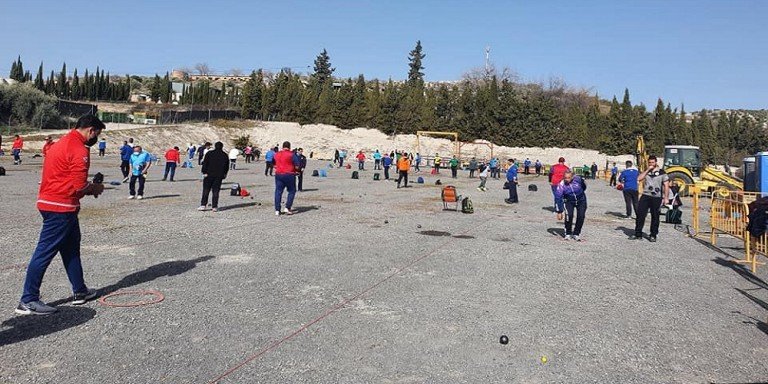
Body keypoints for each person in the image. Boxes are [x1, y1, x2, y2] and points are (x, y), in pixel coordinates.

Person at [16, 115, 105, 315]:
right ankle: (28, 299)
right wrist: (96, 188)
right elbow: (79, 186)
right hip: (60, 207)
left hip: (53, 203)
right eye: (97, 134)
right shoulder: (79, 148)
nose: (96, 138)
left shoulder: (61, 143)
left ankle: (80, 291)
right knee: (44, 251)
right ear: (90, 130)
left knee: (71, 249)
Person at [630, 155, 670, 242]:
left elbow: (666, 186)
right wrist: (647, 170)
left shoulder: (662, 173)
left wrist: (666, 198)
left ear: (656, 162)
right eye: (650, 162)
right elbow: (639, 178)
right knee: (640, 214)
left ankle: (653, 235)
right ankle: (638, 233)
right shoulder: (646, 172)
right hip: (646, 195)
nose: (651, 164)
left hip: (656, 196)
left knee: (655, 216)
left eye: (653, 162)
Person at [554, 171, 588, 241]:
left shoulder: (578, 179)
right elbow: (558, 197)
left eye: (569, 178)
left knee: (581, 216)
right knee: (569, 216)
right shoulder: (561, 184)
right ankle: (568, 233)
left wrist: (581, 192)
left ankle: (576, 233)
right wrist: (559, 211)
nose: (567, 179)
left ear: (572, 177)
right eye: (565, 178)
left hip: (581, 200)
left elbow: (584, 186)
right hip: (569, 201)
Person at [198, 142, 229, 212]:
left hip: (209, 175)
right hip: (219, 176)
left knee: (206, 190)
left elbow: (205, 163)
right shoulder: (224, 155)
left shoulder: (209, 153)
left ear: (215, 146)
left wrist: (204, 172)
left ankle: (203, 205)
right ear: (222, 147)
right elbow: (226, 166)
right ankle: (214, 206)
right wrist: (224, 174)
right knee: (216, 191)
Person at [274, 141, 300, 215]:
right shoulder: (292, 155)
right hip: (289, 174)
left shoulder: (277, 154)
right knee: (292, 191)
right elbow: (297, 166)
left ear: (282, 146)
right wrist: (297, 170)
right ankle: (287, 207)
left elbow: (274, 163)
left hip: (278, 174)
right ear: (289, 147)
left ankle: (277, 210)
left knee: (278, 191)